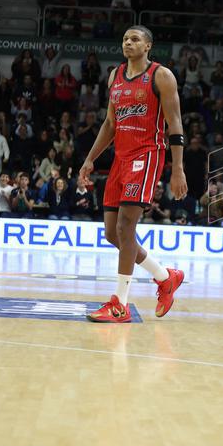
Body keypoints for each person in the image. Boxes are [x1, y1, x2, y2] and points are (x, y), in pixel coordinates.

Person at [79, 26, 188, 323]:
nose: (128, 42)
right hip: (119, 160)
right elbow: (109, 125)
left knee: (127, 228)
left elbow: (175, 123)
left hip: (147, 155)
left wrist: (177, 168)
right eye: (125, 38)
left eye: (135, 39)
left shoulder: (161, 76)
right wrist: (90, 159)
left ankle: (119, 305)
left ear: (148, 45)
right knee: (113, 234)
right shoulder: (115, 75)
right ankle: (166, 277)